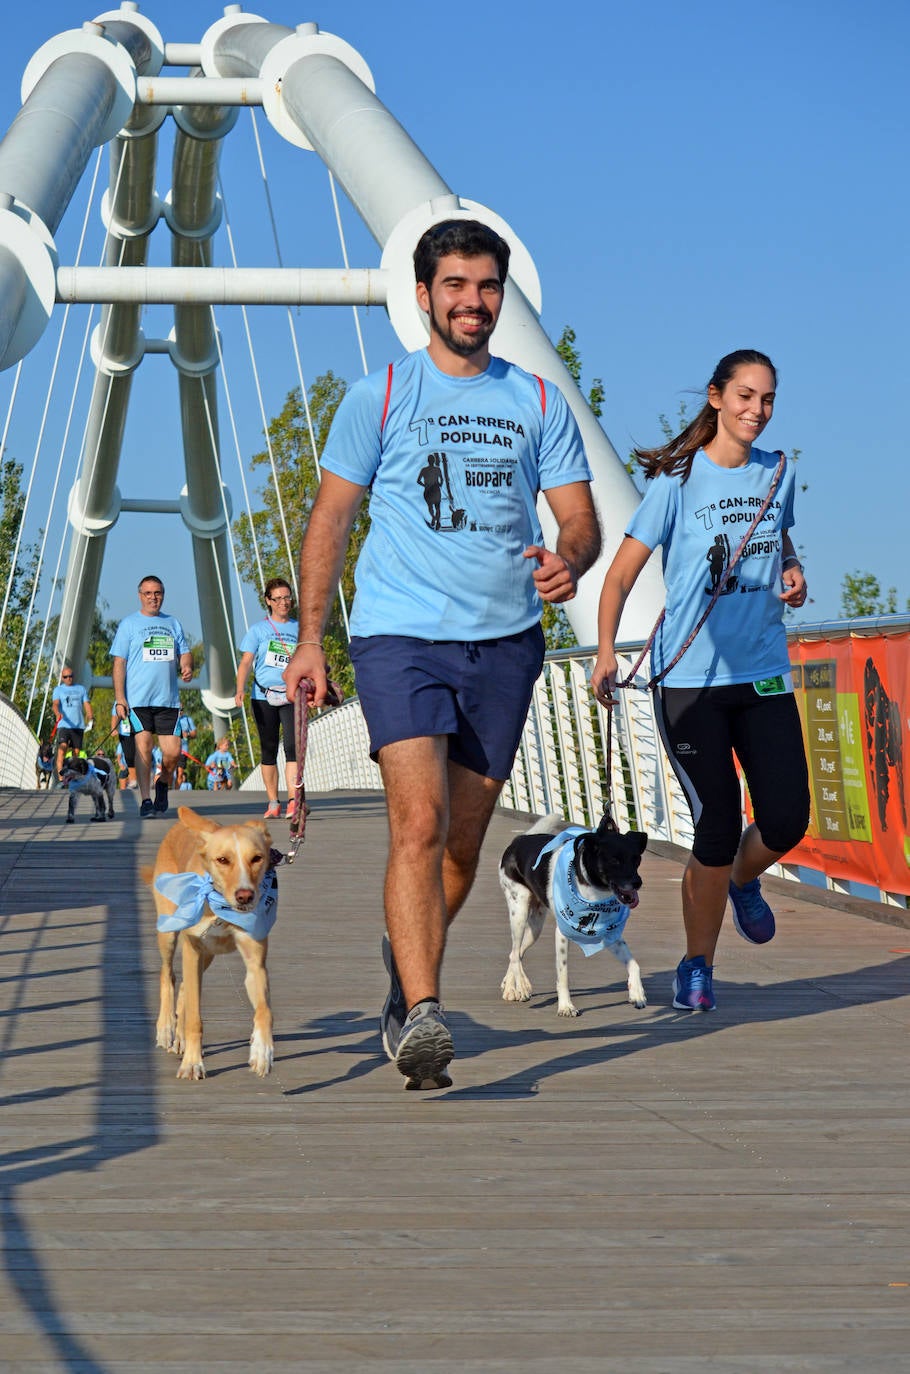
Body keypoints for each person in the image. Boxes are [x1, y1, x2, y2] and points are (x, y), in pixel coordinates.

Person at [284, 217, 601, 1089]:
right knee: (417, 825)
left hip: (505, 645)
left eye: (488, 286)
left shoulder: (536, 401)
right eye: (456, 285)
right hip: (399, 636)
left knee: (463, 844)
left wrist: (567, 559)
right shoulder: (379, 395)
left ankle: (404, 965)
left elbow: (580, 518)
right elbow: (332, 520)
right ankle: (423, 1013)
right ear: (423, 297)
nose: (473, 301)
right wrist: (311, 641)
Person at [590, 348, 811, 1013]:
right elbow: (621, 576)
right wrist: (604, 651)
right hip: (689, 685)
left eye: (768, 400)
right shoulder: (675, 484)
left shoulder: (779, 474)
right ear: (717, 397)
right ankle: (697, 966)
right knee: (717, 823)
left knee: (787, 818)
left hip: (764, 674)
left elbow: (782, 544)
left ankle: (744, 880)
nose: (757, 411)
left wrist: (793, 572)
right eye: (746, 396)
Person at [110, 575, 193, 819]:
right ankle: (146, 800)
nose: (153, 597)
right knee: (143, 747)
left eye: (157, 593)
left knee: (173, 753)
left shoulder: (172, 623)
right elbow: (119, 663)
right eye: (148, 593)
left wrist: (186, 666)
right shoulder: (129, 624)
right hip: (138, 701)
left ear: (163, 595)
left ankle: (163, 782)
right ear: (140, 596)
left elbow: (185, 653)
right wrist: (120, 698)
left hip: (167, 700)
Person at [235, 577, 300, 820]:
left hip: (293, 695)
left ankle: (294, 800)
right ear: (268, 601)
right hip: (263, 696)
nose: (284, 602)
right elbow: (245, 662)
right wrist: (240, 689)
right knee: (269, 749)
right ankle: (274, 801)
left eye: (287, 597)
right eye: (278, 598)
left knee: (293, 748)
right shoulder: (258, 630)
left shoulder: (299, 628)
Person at [52, 666, 93, 777]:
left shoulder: (81, 689)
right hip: (64, 724)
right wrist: (57, 713)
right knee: (62, 748)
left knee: (76, 754)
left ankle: (71, 776)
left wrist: (90, 716)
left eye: (70, 676)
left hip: (78, 725)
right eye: (66, 677)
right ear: (62, 678)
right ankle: (61, 776)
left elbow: (86, 704)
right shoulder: (58, 690)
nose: (68, 679)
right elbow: (55, 704)